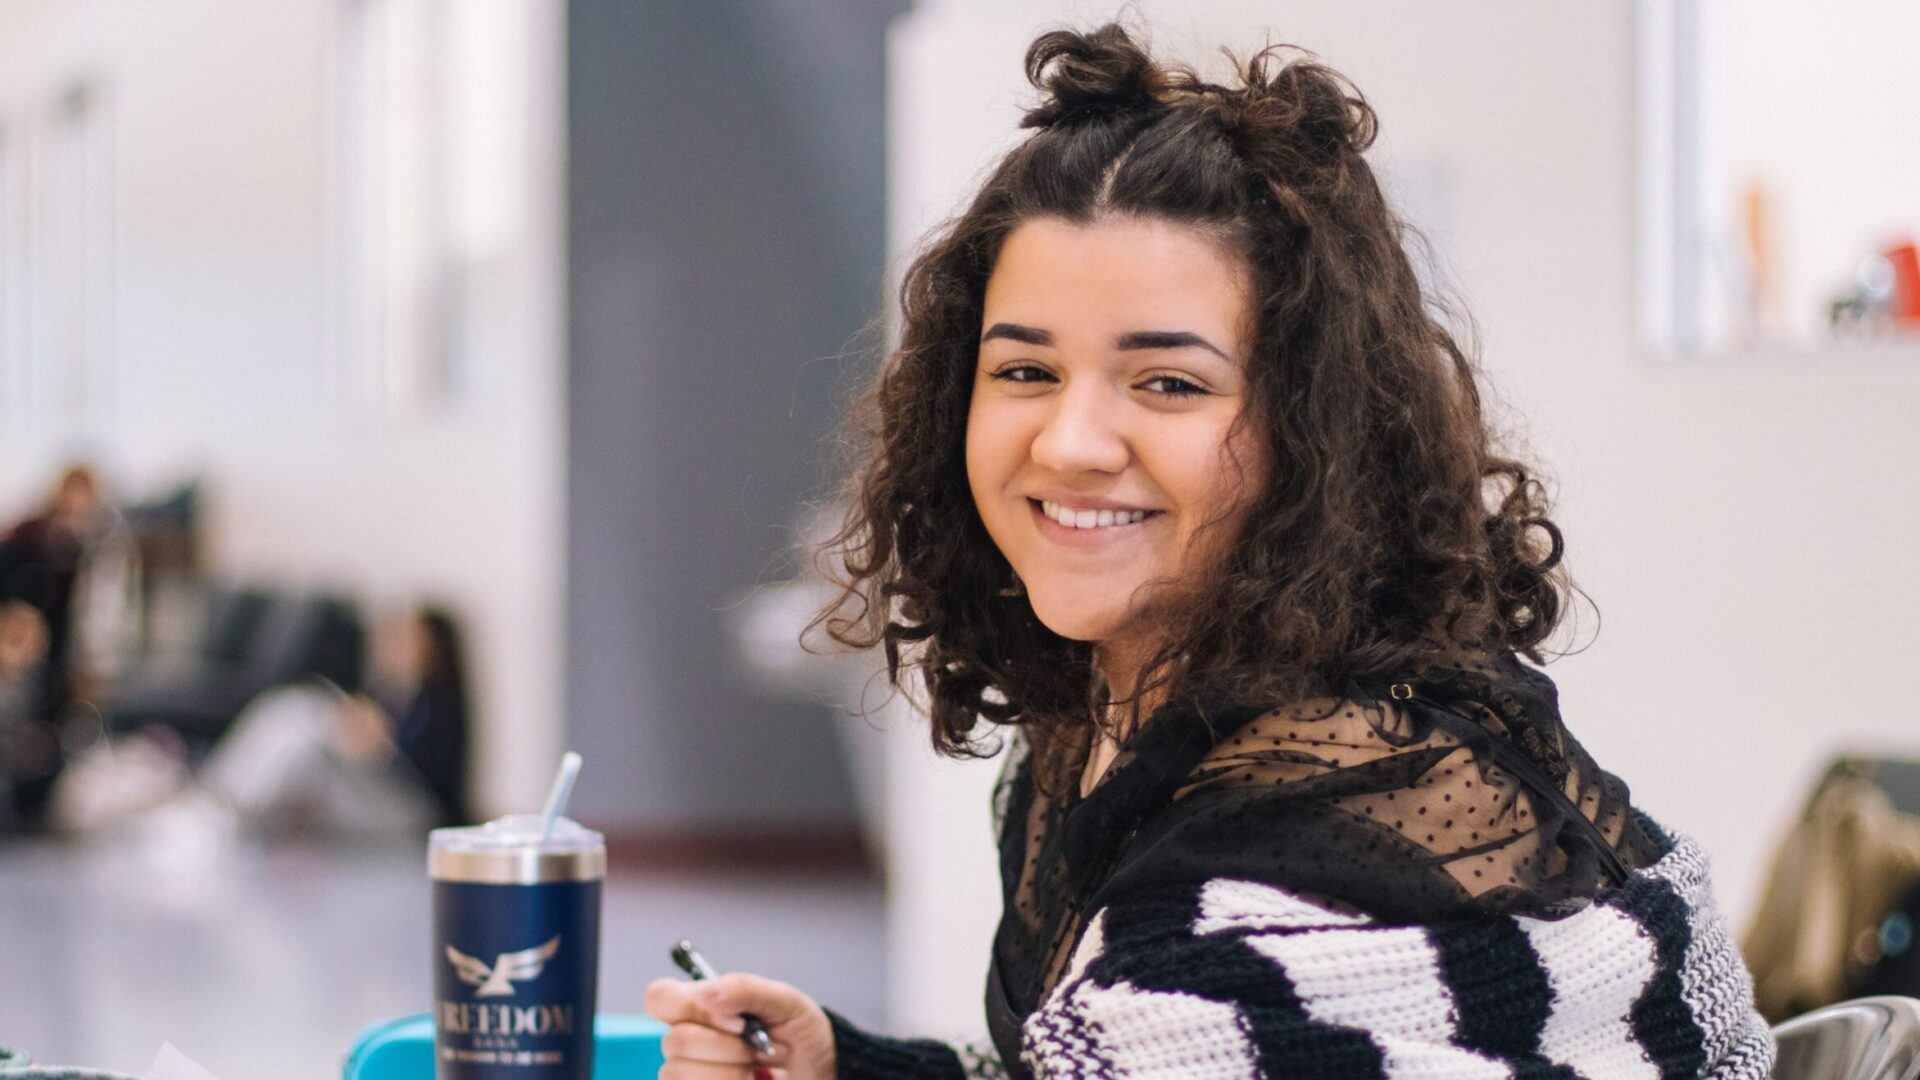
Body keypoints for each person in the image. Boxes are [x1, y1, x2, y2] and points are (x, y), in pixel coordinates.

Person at [645, 24, 1772, 1079]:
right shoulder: (1119, 728)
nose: (1072, 442)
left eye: (1168, 384)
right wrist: (854, 1064)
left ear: (1313, 430)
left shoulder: (1293, 862)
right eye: (1025, 371)